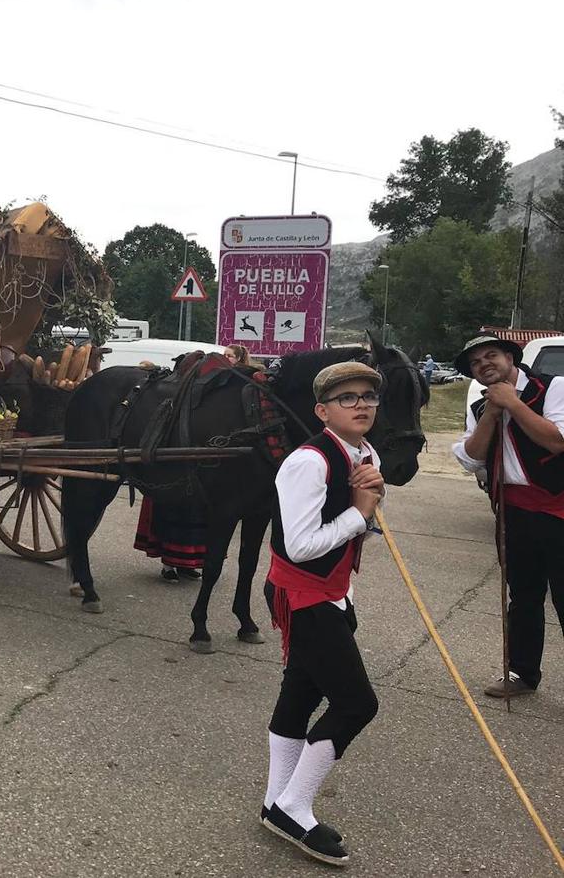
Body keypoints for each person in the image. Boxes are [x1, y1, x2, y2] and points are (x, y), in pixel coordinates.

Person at [260, 361, 385, 867]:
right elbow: (301, 545)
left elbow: (358, 511)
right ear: (322, 410)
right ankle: (294, 804)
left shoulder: (362, 451)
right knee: (357, 704)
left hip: (333, 592)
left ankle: (275, 802)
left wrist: (372, 493)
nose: (361, 404)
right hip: (303, 595)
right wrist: (361, 510)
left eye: (368, 397)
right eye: (348, 397)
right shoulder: (308, 462)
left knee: (301, 693)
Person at [451, 333, 564, 698]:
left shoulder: (554, 387)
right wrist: (493, 413)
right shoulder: (481, 407)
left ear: (510, 358)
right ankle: (522, 674)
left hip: (558, 508)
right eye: (476, 363)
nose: (484, 364)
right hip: (513, 511)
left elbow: (557, 441)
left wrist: (513, 405)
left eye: (491, 356)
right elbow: (471, 459)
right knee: (524, 595)